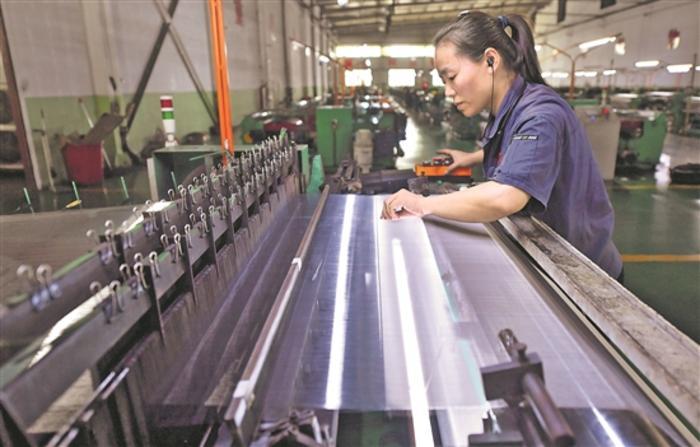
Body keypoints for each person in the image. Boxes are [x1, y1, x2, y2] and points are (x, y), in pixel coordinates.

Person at [381, 11, 623, 281]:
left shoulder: (541, 115)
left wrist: (423, 204)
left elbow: (507, 196)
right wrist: (473, 157)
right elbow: (521, 148)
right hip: (546, 252)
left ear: (491, 61)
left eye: (452, 76)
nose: (448, 92)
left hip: (582, 271)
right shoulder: (513, 107)